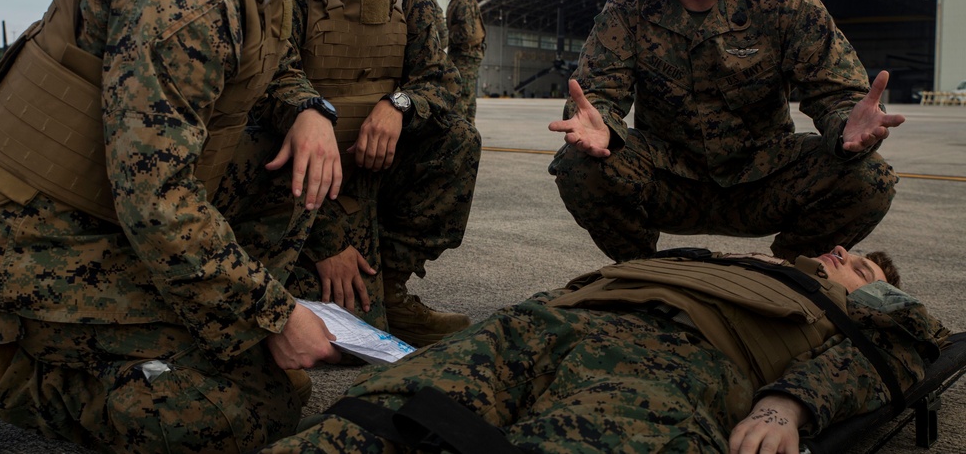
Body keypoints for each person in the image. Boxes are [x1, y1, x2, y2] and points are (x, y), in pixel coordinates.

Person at [0, 0, 369, 452]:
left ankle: (190, 335)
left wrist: (308, 109)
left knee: (274, 384)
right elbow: (156, 202)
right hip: (40, 238)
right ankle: (8, 362)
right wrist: (269, 314)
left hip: (101, 209)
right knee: (234, 414)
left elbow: (275, 65)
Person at [258, 246, 947, 453]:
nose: (841, 254)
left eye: (859, 264)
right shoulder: (734, 258)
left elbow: (904, 349)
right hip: (545, 321)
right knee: (380, 416)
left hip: (674, 359)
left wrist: (788, 404)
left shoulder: (857, 316)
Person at [548, 0, 906, 263]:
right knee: (579, 165)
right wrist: (601, 127)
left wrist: (846, 126)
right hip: (670, 182)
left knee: (869, 178)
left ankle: (788, 278)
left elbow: (837, 92)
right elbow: (597, 93)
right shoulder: (631, 2)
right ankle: (644, 277)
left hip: (762, 183)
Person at [283, 0, 481, 347]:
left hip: (364, 177)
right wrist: (329, 239)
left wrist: (398, 105)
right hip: (294, 189)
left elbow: (442, 83)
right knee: (338, 343)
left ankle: (390, 289)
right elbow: (266, 99)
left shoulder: (413, 5)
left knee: (457, 137)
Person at [436, 0, 486, 122]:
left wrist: (446, 39)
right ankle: (468, 132)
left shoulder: (463, 2)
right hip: (464, 56)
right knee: (468, 98)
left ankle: (463, 133)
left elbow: (467, 32)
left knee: (461, 98)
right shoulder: (458, 1)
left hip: (465, 57)